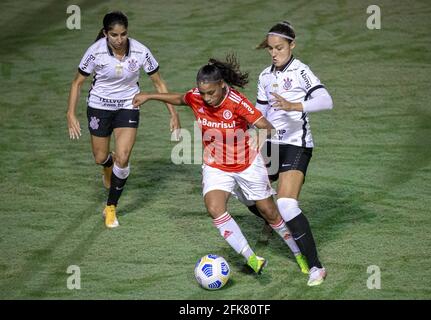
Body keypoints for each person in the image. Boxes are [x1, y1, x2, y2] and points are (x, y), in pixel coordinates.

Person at [132, 54, 309, 275]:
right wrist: (148, 95)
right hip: (216, 164)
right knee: (214, 208)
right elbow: (180, 98)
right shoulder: (196, 96)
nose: (206, 98)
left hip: (246, 164)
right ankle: (252, 258)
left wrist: (259, 139)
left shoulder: (236, 102)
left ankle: (298, 253)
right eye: (203, 93)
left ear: (222, 85)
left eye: (211, 93)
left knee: (270, 212)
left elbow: (267, 126)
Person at [238, 21, 333, 286]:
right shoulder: (265, 76)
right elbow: (260, 113)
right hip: (271, 145)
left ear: (292, 45)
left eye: (279, 47)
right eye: (270, 48)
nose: (274, 53)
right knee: (245, 193)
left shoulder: (301, 71)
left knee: (287, 203)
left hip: (296, 144)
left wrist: (294, 105)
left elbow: (327, 100)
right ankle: (275, 222)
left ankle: (315, 267)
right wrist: (249, 137)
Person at [66, 11, 180, 228]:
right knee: (101, 157)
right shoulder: (95, 52)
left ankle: (111, 207)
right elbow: (76, 83)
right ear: (106, 33)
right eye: (114, 35)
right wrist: (70, 113)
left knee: (124, 157)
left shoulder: (140, 51)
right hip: (99, 107)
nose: (119, 40)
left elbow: (159, 83)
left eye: (123, 34)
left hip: (128, 106)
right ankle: (106, 166)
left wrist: (173, 113)